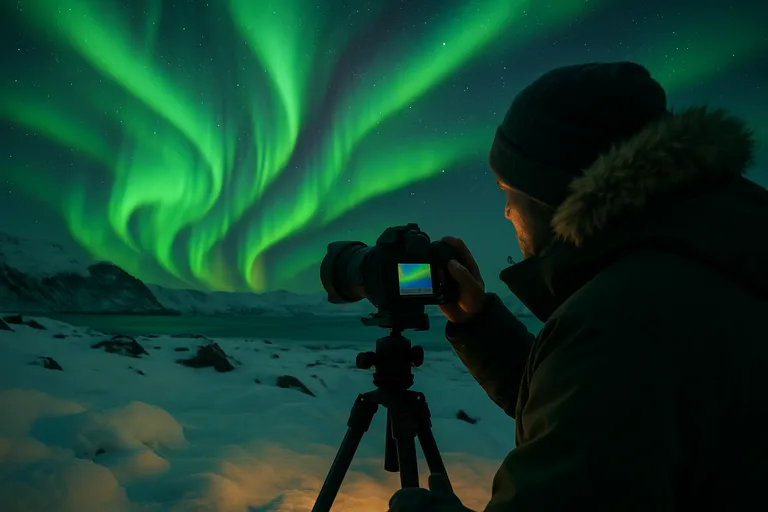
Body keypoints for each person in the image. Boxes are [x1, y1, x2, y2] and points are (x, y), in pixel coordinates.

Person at [388, 62, 768, 511]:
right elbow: (598, 419)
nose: (507, 213)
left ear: (551, 196)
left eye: (510, 192)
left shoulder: (619, 320)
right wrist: (477, 322)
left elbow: (601, 386)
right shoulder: (708, 263)